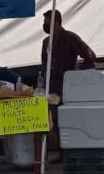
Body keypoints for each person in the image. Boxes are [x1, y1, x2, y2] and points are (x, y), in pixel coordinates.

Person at [41, 10, 96, 160]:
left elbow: (90, 56)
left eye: (47, 22)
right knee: (55, 120)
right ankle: (59, 150)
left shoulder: (70, 38)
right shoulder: (46, 42)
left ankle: (70, 150)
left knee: (68, 119)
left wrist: (77, 74)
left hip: (68, 87)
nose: (44, 25)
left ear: (56, 23)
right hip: (51, 88)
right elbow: (44, 65)